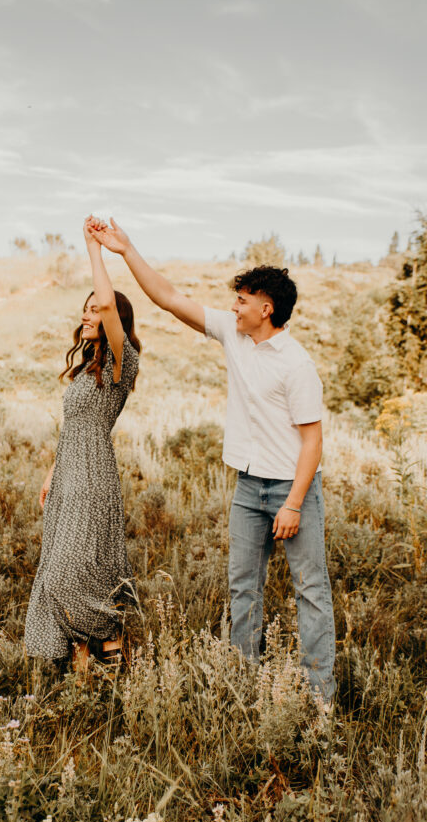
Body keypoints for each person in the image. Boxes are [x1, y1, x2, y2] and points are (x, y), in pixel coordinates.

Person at [89, 216, 335, 702]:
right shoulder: (232, 334)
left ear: (266, 308)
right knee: (243, 589)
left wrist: (293, 505)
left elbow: (313, 441)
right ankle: (242, 687)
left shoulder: (296, 364)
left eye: (242, 301)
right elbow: (169, 298)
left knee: (311, 592)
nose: (233, 306)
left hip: (292, 491)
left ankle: (320, 699)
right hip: (248, 487)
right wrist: (126, 250)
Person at [24, 218, 141, 674]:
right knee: (63, 570)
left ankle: (110, 636)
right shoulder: (86, 369)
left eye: (95, 310)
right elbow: (71, 427)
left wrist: (93, 249)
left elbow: (109, 300)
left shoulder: (120, 362)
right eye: (85, 309)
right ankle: (88, 672)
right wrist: (52, 473)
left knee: (70, 572)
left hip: (93, 479)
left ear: (114, 319)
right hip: (69, 476)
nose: (87, 314)